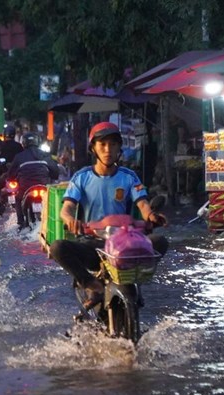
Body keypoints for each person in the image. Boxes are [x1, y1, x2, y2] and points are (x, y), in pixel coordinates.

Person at [49, 122, 169, 310]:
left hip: (123, 244)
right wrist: (70, 220)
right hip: (92, 244)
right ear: (94, 149)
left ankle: (136, 281)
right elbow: (67, 209)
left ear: (119, 148)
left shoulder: (129, 177)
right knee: (57, 247)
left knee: (160, 241)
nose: (108, 150)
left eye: (113, 144)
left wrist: (151, 216)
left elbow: (143, 203)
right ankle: (91, 285)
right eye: (102, 145)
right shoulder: (81, 177)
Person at [7, 132, 59, 229]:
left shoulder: (19, 157)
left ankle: (21, 223)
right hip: (44, 186)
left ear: (24, 143)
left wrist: (12, 178)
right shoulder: (45, 155)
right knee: (52, 201)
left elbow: (10, 175)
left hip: (26, 188)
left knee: (18, 199)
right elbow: (55, 172)